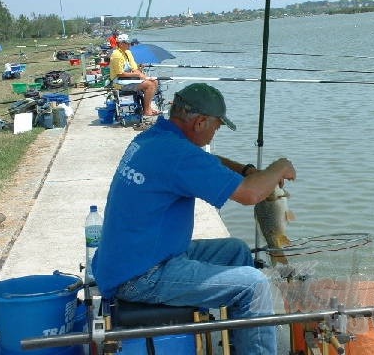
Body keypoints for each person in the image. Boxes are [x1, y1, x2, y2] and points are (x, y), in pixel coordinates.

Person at [92, 83, 296, 354]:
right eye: (217, 125)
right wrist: (278, 167)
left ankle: (243, 341)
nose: (217, 131)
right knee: (255, 285)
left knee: (234, 250)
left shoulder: (154, 139)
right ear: (200, 122)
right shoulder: (178, 156)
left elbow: (207, 162)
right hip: (141, 276)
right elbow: (251, 195)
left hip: (128, 259)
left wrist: (246, 169)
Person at [109, 33, 160, 116]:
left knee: (155, 81)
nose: (130, 44)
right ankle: (147, 111)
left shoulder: (128, 52)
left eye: (129, 43)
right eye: (127, 43)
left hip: (129, 79)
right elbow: (120, 74)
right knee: (149, 85)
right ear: (121, 44)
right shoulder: (116, 55)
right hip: (119, 82)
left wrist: (144, 76)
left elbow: (134, 68)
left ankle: (148, 107)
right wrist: (139, 76)